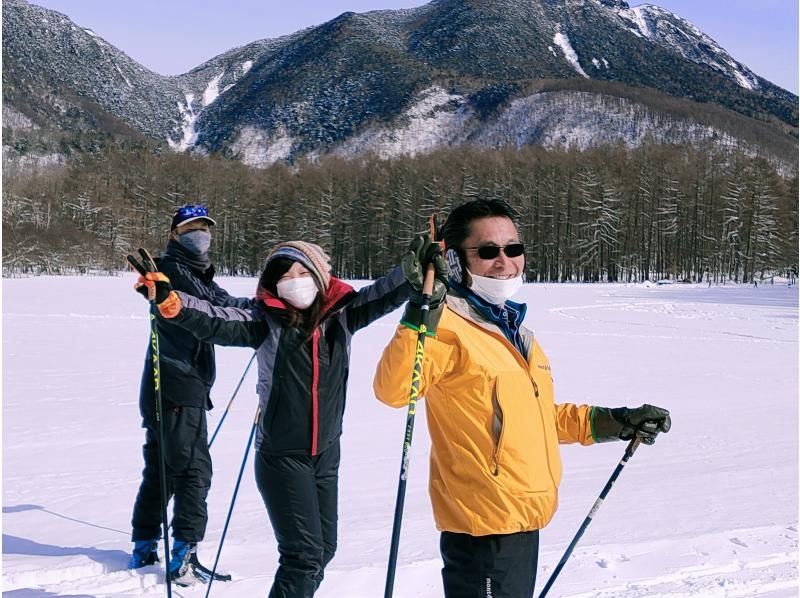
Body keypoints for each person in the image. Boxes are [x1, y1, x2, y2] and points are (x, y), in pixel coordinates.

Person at [373, 199, 672, 598]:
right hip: (483, 529)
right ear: (457, 261)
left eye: (513, 248)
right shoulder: (446, 327)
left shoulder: (516, 333)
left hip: (522, 521)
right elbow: (393, 389)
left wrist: (613, 422)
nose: (505, 261)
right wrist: (420, 312)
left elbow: (534, 419)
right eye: (488, 251)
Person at [133, 238, 434, 597]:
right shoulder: (264, 320)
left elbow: (384, 292)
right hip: (282, 457)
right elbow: (214, 319)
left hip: (325, 455)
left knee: (323, 551)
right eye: (284, 274)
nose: (294, 279)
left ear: (322, 276)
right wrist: (172, 302)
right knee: (303, 557)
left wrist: (412, 272)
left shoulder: (343, 314)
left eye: (303, 271)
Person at [129, 204, 252, 580]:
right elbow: (214, 315)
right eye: (191, 227)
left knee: (163, 469)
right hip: (178, 386)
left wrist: (264, 307)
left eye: (204, 227)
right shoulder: (172, 272)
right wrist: (260, 321)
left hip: (165, 385)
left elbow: (225, 302)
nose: (200, 233)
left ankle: (144, 544)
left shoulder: (194, 273)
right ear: (174, 234)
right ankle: (183, 555)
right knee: (193, 471)